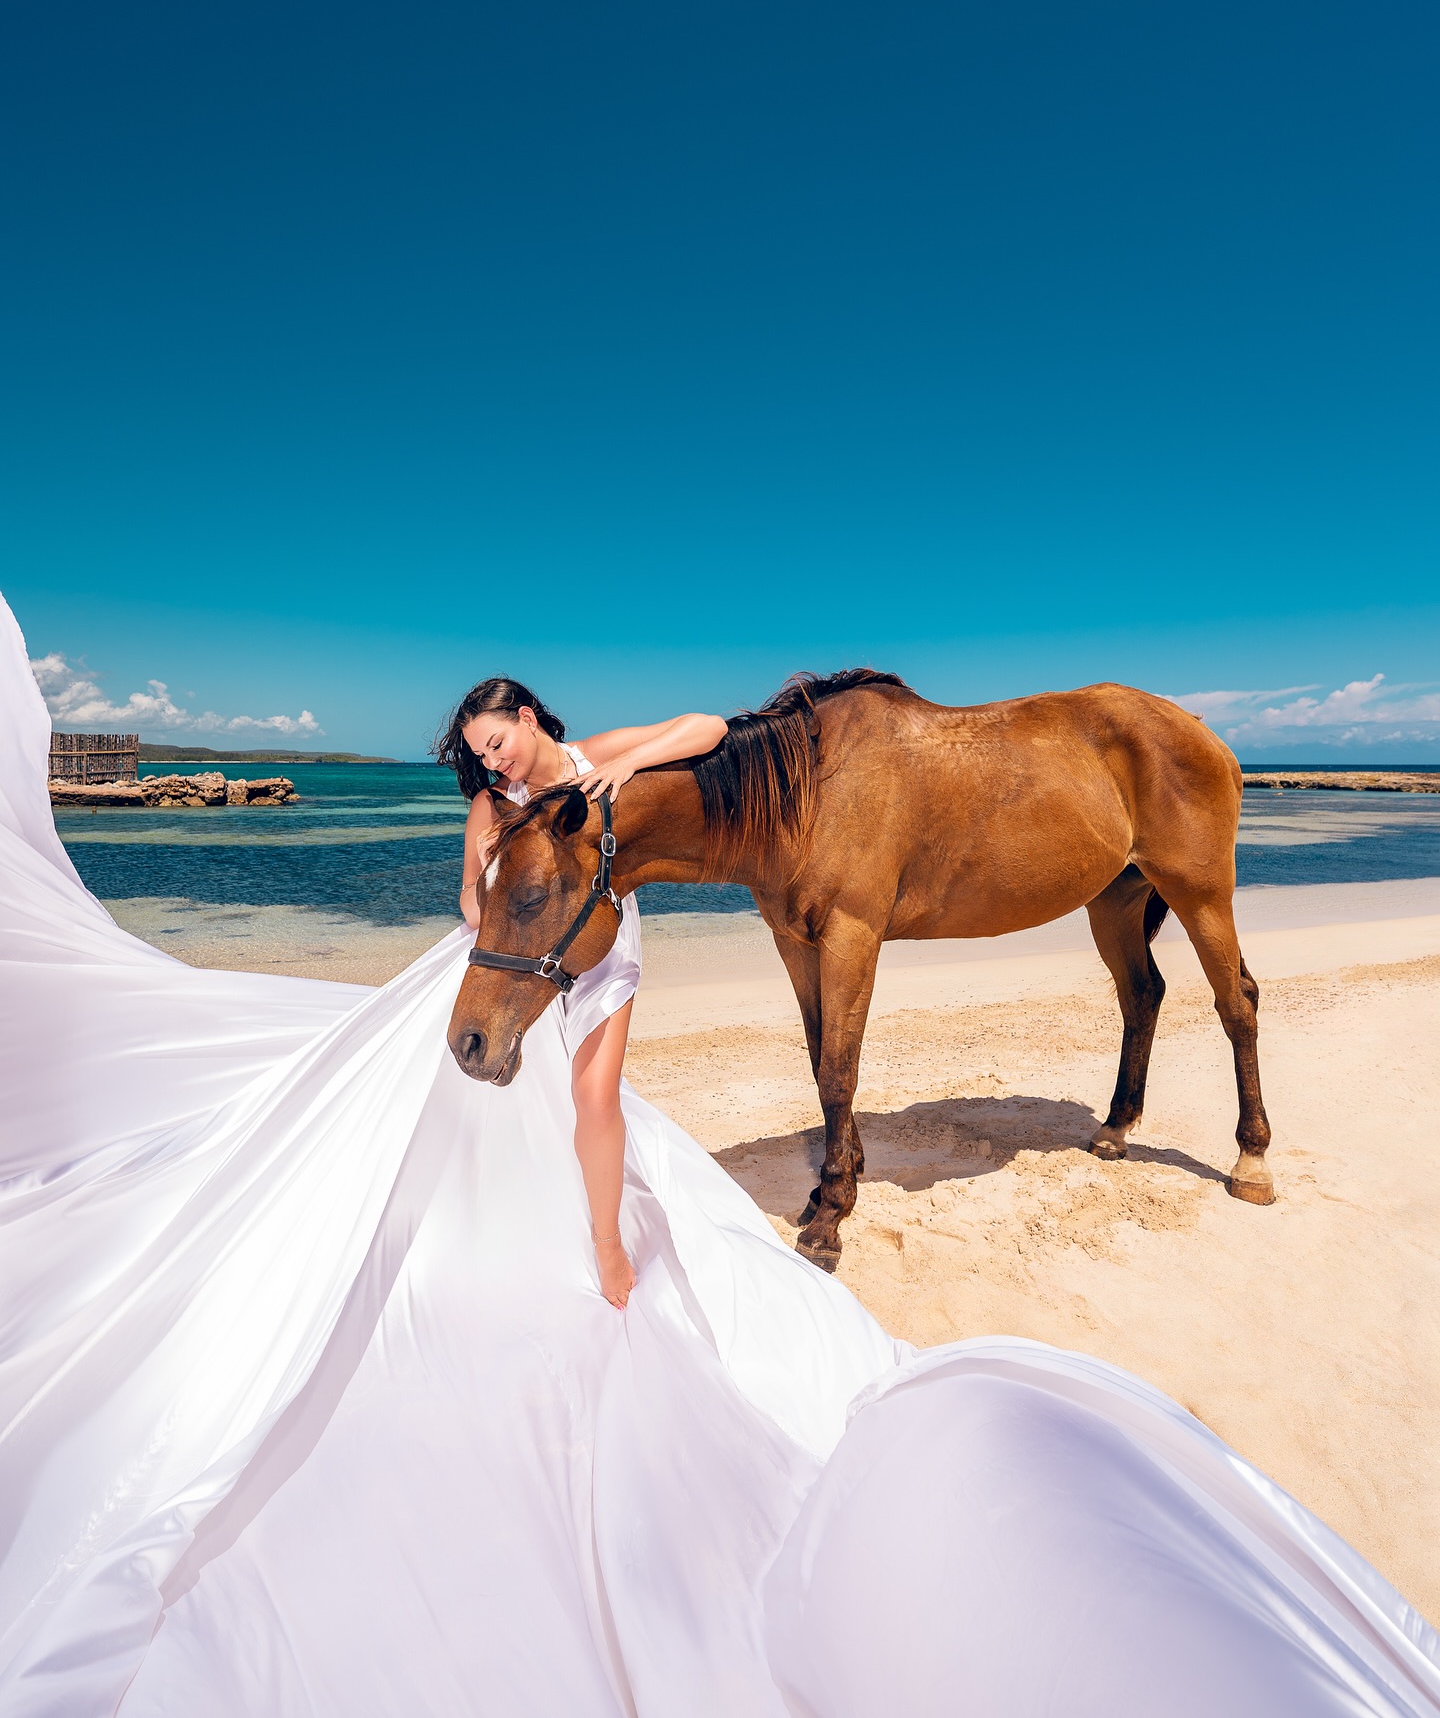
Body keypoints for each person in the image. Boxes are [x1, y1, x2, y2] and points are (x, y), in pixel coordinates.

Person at [1, 591, 1437, 1716]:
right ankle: (933, 1134)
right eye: (483, 741)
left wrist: (728, 732)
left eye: (506, 729)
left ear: (531, 721)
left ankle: (1238, 1107)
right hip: (554, 941)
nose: (496, 747)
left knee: (1197, 961)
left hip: (658, 860)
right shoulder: (539, 811)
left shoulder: (625, 771)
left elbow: (689, 731)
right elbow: (530, 868)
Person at [434, 677, 727, 1308]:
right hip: (517, 954)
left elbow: (710, 727)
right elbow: (466, 896)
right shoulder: (492, 805)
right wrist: (492, 888)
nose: (492, 760)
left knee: (595, 1095)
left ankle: (606, 1243)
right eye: (482, 754)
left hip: (601, 945)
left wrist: (629, 763)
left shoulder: (595, 759)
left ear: (527, 717)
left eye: (496, 742)